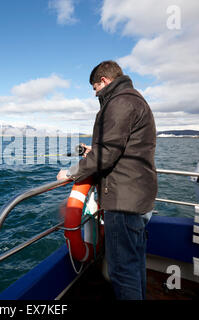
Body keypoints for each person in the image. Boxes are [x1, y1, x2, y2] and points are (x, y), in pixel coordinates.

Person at [57, 60, 157, 300]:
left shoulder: (120, 102)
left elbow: (108, 153)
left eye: (94, 88)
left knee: (122, 270)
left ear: (104, 81)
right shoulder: (134, 98)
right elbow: (120, 148)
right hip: (138, 196)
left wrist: (71, 173)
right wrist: (94, 151)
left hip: (123, 201)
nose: (95, 93)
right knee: (134, 264)